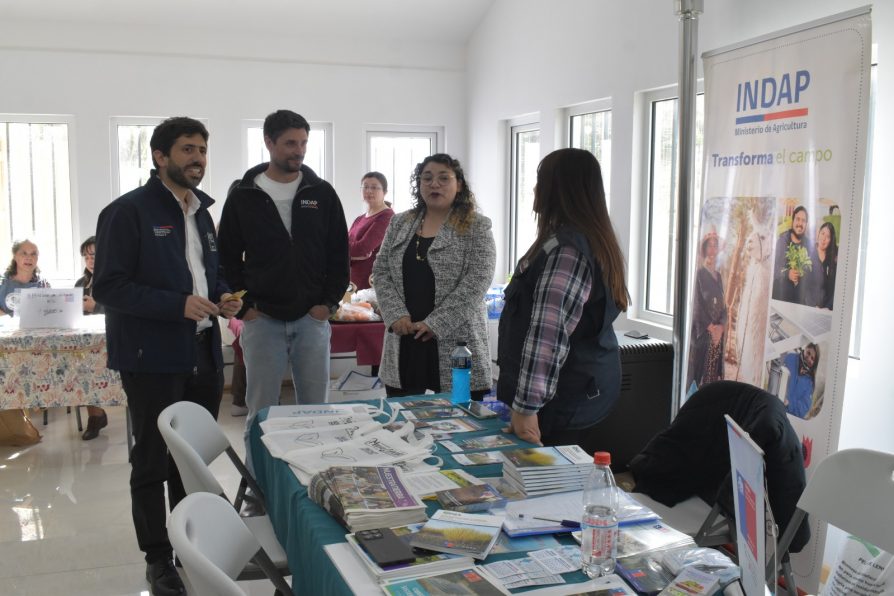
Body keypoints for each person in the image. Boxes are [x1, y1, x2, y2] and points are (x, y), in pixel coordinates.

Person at [93, 117, 241, 596]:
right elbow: (108, 287)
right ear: (160, 156)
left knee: (190, 460)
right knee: (153, 461)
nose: (198, 158)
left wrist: (222, 295)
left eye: (202, 150)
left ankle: (187, 545)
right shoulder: (127, 212)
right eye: (187, 149)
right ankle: (157, 559)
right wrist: (176, 305)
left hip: (203, 352)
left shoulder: (202, 213)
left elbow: (208, 273)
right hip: (151, 357)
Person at [218, 109, 349, 472]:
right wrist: (246, 307)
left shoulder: (321, 192)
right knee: (261, 412)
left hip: (312, 319)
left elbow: (339, 253)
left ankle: (318, 477)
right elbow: (226, 257)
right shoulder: (244, 194)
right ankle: (259, 484)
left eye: (304, 142)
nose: (299, 150)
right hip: (262, 320)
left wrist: (328, 304)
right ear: (269, 142)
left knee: (317, 411)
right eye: (291, 143)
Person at [497, 148, 628, 447]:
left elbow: (548, 335)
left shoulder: (568, 251)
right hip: (573, 393)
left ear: (559, 188)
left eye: (540, 181)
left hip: (561, 402)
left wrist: (526, 407)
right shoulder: (575, 238)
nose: (534, 189)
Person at [373, 153, 495, 400]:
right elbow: (381, 270)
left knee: (460, 417)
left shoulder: (477, 226)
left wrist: (436, 323)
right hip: (406, 336)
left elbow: (477, 281)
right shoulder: (400, 223)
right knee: (402, 414)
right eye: (427, 178)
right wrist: (395, 314)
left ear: (459, 184)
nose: (434, 184)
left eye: (443, 178)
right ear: (419, 185)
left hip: (457, 340)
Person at [74, 236, 108, 440]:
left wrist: (96, 307)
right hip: (87, 342)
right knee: (81, 365)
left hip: (114, 340)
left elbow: (125, 310)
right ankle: (95, 416)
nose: (90, 260)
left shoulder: (118, 281)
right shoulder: (81, 283)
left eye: (94, 255)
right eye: (86, 257)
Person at [686, 230, 726, 389]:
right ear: (704, 249)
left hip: (717, 338)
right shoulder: (698, 274)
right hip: (702, 335)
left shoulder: (719, 277)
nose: (712, 250)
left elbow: (724, 306)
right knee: (697, 380)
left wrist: (721, 327)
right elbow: (696, 305)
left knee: (713, 380)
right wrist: (711, 327)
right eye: (709, 246)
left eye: (715, 246)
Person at [733, 229, 772, 386]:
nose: (751, 239)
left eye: (760, 237)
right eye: (751, 237)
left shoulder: (766, 271)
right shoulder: (754, 269)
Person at [349, 172, 394, 290]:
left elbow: (362, 248)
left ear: (385, 192)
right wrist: (353, 255)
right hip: (352, 281)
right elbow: (343, 246)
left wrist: (352, 252)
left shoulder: (387, 216)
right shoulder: (359, 219)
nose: (369, 191)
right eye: (365, 187)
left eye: (374, 187)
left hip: (371, 283)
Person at [772, 205, 813, 304]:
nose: (800, 223)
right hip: (780, 300)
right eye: (798, 219)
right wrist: (787, 274)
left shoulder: (808, 245)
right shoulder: (782, 241)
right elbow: (774, 269)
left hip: (799, 302)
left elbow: (811, 273)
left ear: (806, 224)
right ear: (793, 221)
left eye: (803, 221)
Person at [0, 239, 50, 315]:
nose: (29, 258)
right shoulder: (2, 282)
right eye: (24, 253)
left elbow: (49, 312)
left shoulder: (44, 284)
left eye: (33, 254)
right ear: (15, 256)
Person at [782, 343, 819, 418]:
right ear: (805, 348)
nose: (809, 358)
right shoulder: (790, 358)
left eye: (812, 358)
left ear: (814, 364)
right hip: (776, 406)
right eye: (808, 353)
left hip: (789, 417)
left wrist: (789, 404)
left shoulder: (810, 383)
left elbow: (803, 410)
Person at [808, 222, 837, 310]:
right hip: (809, 307)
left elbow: (834, 289)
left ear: (831, 240)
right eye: (823, 233)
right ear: (818, 233)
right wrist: (812, 305)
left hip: (826, 310)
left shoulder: (833, 259)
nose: (824, 239)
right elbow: (803, 287)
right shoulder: (808, 254)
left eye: (828, 237)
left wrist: (827, 308)